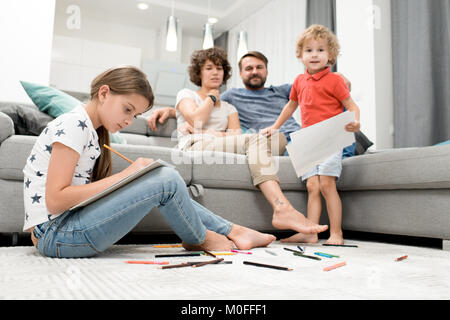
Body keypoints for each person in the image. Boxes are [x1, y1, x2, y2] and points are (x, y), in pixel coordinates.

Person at [23, 66, 277, 258]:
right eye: (127, 109)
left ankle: (231, 230)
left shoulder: (89, 130)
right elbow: (55, 199)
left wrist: (134, 177)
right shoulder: (73, 126)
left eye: (135, 115)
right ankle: (201, 237)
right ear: (104, 93)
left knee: (161, 176)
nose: (129, 121)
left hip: (63, 229)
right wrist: (127, 175)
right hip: (56, 235)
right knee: (164, 179)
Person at [173, 47, 328, 237]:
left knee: (272, 139)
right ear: (198, 72)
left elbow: (235, 136)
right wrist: (212, 97)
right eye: (209, 68)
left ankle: (285, 210)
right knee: (254, 139)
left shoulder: (229, 107)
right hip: (194, 145)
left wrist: (209, 132)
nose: (215, 72)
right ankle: (282, 208)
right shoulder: (187, 94)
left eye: (219, 68)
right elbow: (196, 119)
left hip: (215, 144)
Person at [261, 24, 361, 245]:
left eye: (320, 50)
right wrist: (275, 126)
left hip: (330, 138)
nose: (314, 54)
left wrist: (355, 121)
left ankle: (336, 233)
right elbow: (290, 106)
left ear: (331, 55)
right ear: (300, 55)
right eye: (309, 50)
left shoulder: (335, 80)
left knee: (327, 183)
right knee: (312, 186)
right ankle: (310, 232)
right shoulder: (299, 81)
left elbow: (351, 105)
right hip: (308, 140)